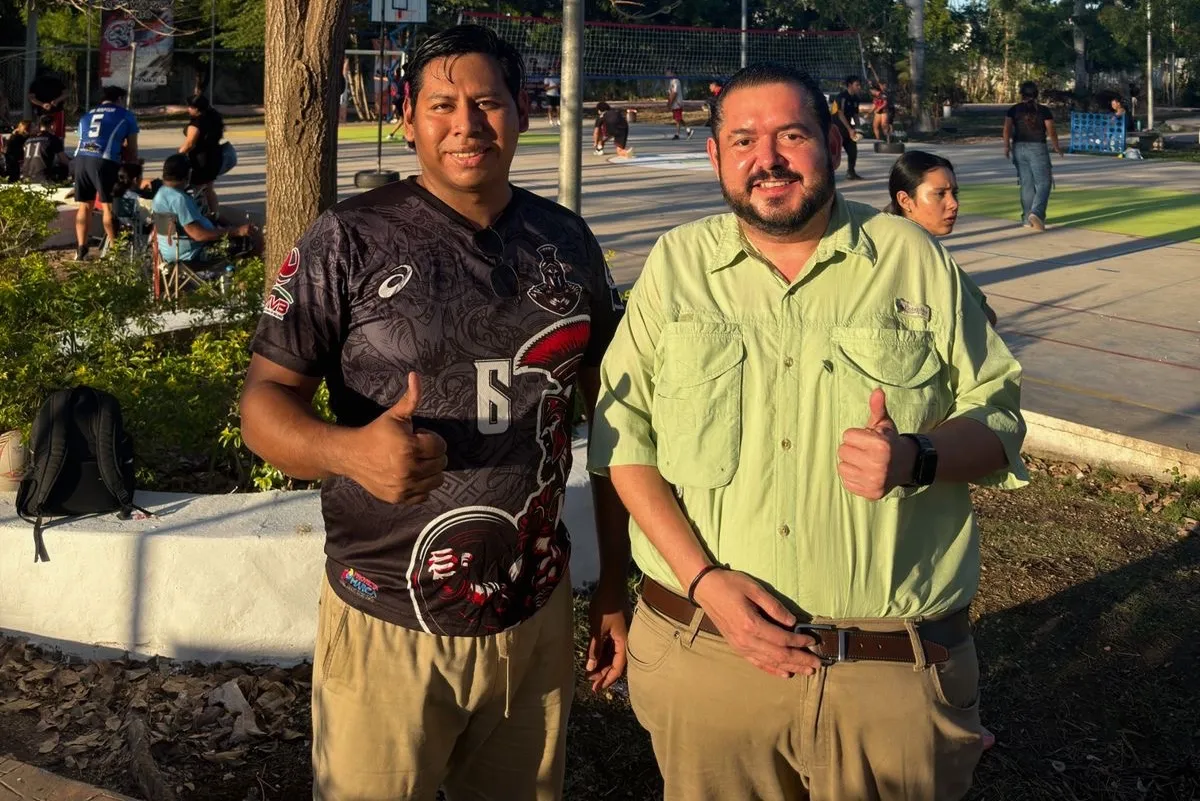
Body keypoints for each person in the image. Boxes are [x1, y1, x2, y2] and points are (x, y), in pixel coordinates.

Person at [589, 63, 1028, 801]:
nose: (768, 158)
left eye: (791, 135)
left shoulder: (910, 260)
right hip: (709, 656)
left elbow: (1002, 417)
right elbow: (623, 440)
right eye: (743, 140)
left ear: (831, 140)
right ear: (716, 157)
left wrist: (916, 456)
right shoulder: (679, 265)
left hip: (887, 676)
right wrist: (706, 582)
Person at [238, 24, 630, 801]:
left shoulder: (567, 240)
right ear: (409, 117)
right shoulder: (347, 238)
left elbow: (618, 423)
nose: (467, 123)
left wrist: (615, 582)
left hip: (533, 611)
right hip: (387, 613)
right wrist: (351, 451)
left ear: (522, 111)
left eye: (487, 101)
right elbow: (262, 405)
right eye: (443, 104)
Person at [887, 151, 999, 337]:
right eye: (940, 194)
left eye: (954, 193)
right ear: (905, 200)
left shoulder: (911, 245)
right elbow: (984, 319)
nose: (953, 204)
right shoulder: (911, 255)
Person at [151, 154, 255, 267]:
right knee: (247, 241)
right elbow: (198, 235)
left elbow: (182, 224)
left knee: (223, 225)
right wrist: (237, 231)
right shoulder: (179, 199)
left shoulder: (161, 193)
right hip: (191, 255)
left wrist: (210, 219)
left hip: (170, 253)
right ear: (188, 174)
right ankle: (242, 281)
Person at [73, 85, 139, 261]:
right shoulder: (125, 115)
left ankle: (81, 249)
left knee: (84, 205)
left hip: (80, 158)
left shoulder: (87, 115)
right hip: (104, 159)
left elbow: (86, 137)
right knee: (107, 205)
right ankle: (115, 249)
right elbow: (132, 149)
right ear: (119, 99)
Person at [1003, 81, 1063, 232]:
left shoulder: (1014, 110)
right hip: (1037, 148)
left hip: (1019, 147)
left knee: (1026, 184)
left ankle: (1026, 218)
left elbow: (1007, 128)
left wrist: (1006, 146)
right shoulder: (1043, 111)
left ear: (1021, 94)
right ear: (1037, 94)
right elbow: (1051, 130)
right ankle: (1036, 213)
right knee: (1044, 182)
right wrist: (1056, 146)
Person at [179, 94, 225, 215]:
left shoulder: (197, 123)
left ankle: (196, 217)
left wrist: (178, 155)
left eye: (190, 107)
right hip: (214, 156)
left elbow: (190, 143)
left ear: (197, 109)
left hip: (201, 160)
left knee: (196, 189)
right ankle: (214, 215)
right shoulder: (213, 118)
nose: (188, 109)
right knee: (209, 189)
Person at [20, 115, 70, 184]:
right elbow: (64, 160)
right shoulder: (53, 138)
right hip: (42, 178)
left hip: (26, 178)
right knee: (63, 168)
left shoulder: (28, 140)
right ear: (52, 125)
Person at [833, 75, 865, 180]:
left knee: (853, 151)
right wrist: (850, 129)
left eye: (860, 85)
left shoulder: (855, 98)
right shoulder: (842, 97)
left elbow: (855, 115)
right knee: (832, 153)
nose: (859, 87)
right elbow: (840, 114)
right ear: (850, 85)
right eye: (857, 85)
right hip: (836, 128)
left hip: (847, 128)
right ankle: (826, 174)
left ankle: (851, 172)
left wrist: (858, 128)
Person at [27, 69, 67, 139]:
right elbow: (31, 98)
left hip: (55, 110)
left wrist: (56, 101)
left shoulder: (56, 82)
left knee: (57, 133)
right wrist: (43, 104)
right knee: (43, 132)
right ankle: (46, 145)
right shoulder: (36, 83)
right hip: (43, 112)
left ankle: (58, 145)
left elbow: (66, 93)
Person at [666, 67, 693, 139]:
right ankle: (688, 130)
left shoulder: (676, 81)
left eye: (668, 72)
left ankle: (677, 134)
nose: (666, 74)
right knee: (678, 118)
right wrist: (669, 102)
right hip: (674, 104)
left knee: (678, 119)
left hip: (677, 103)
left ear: (672, 73)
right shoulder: (671, 81)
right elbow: (670, 93)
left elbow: (674, 93)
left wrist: (670, 103)